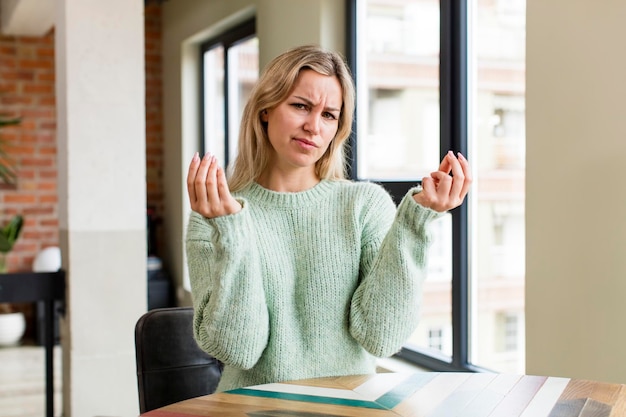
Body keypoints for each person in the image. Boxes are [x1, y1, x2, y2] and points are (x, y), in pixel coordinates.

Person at [185, 44, 471, 392]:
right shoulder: (212, 216)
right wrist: (230, 230)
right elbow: (239, 350)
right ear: (265, 109)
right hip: (250, 410)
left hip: (348, 409)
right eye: (300, 106)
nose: (313, 127)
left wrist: (418, 220)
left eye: (329, 115)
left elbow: (382, 337)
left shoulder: (363, 205)